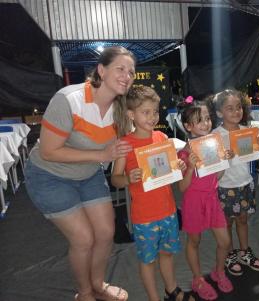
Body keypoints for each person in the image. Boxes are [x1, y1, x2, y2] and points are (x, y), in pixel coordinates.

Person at [24, 46, 135, 301]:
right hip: (49, 176)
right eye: (120, 68)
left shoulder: (121, 111)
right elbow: (50, 152)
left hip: (87, 175)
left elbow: (128, 147)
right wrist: (102, 156)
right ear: (101, 70)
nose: (127, 75)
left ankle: (98, 284)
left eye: (131, 72)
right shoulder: (69, 99)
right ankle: (84, 294)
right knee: (84, 239)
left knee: (106, 232)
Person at [111, 85, 195, 301]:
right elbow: (115, 179)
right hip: (144, 217)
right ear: (131, 114)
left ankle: (172, 289)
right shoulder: (125, 144)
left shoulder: (161, 137)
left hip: (168, 211)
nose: (152, 117)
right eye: (145, 112)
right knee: (148, 261)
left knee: (167, 254)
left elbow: (169, 171)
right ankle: (153, 297)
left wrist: (179, 167)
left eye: (155, 112)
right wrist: (129, 178)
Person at [177, 97, 233, 301]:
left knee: (225, 241)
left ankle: (219, 271)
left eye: (208, 118)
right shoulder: (183, 153)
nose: (206, 123)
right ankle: (198, 279)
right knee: (194, 241)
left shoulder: (212, 146)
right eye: (200, 120)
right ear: (188, 126)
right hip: (193, 202)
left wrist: (223, 162)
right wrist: (190, 166)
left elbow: (217, 177)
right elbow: (182, 187)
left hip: (212, 199)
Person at [210, 90, 259, 276]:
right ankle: (230, 254)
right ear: (219, 113)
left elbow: (252, 155)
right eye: (230, 108)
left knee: (243, 219)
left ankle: (244, 251)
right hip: (225, 186)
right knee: (227, 223)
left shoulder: (247, 131)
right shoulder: (215, 135)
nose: (236, 112)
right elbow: (210, 165)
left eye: (239, 107)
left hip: (245, 182)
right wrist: (223, 157)